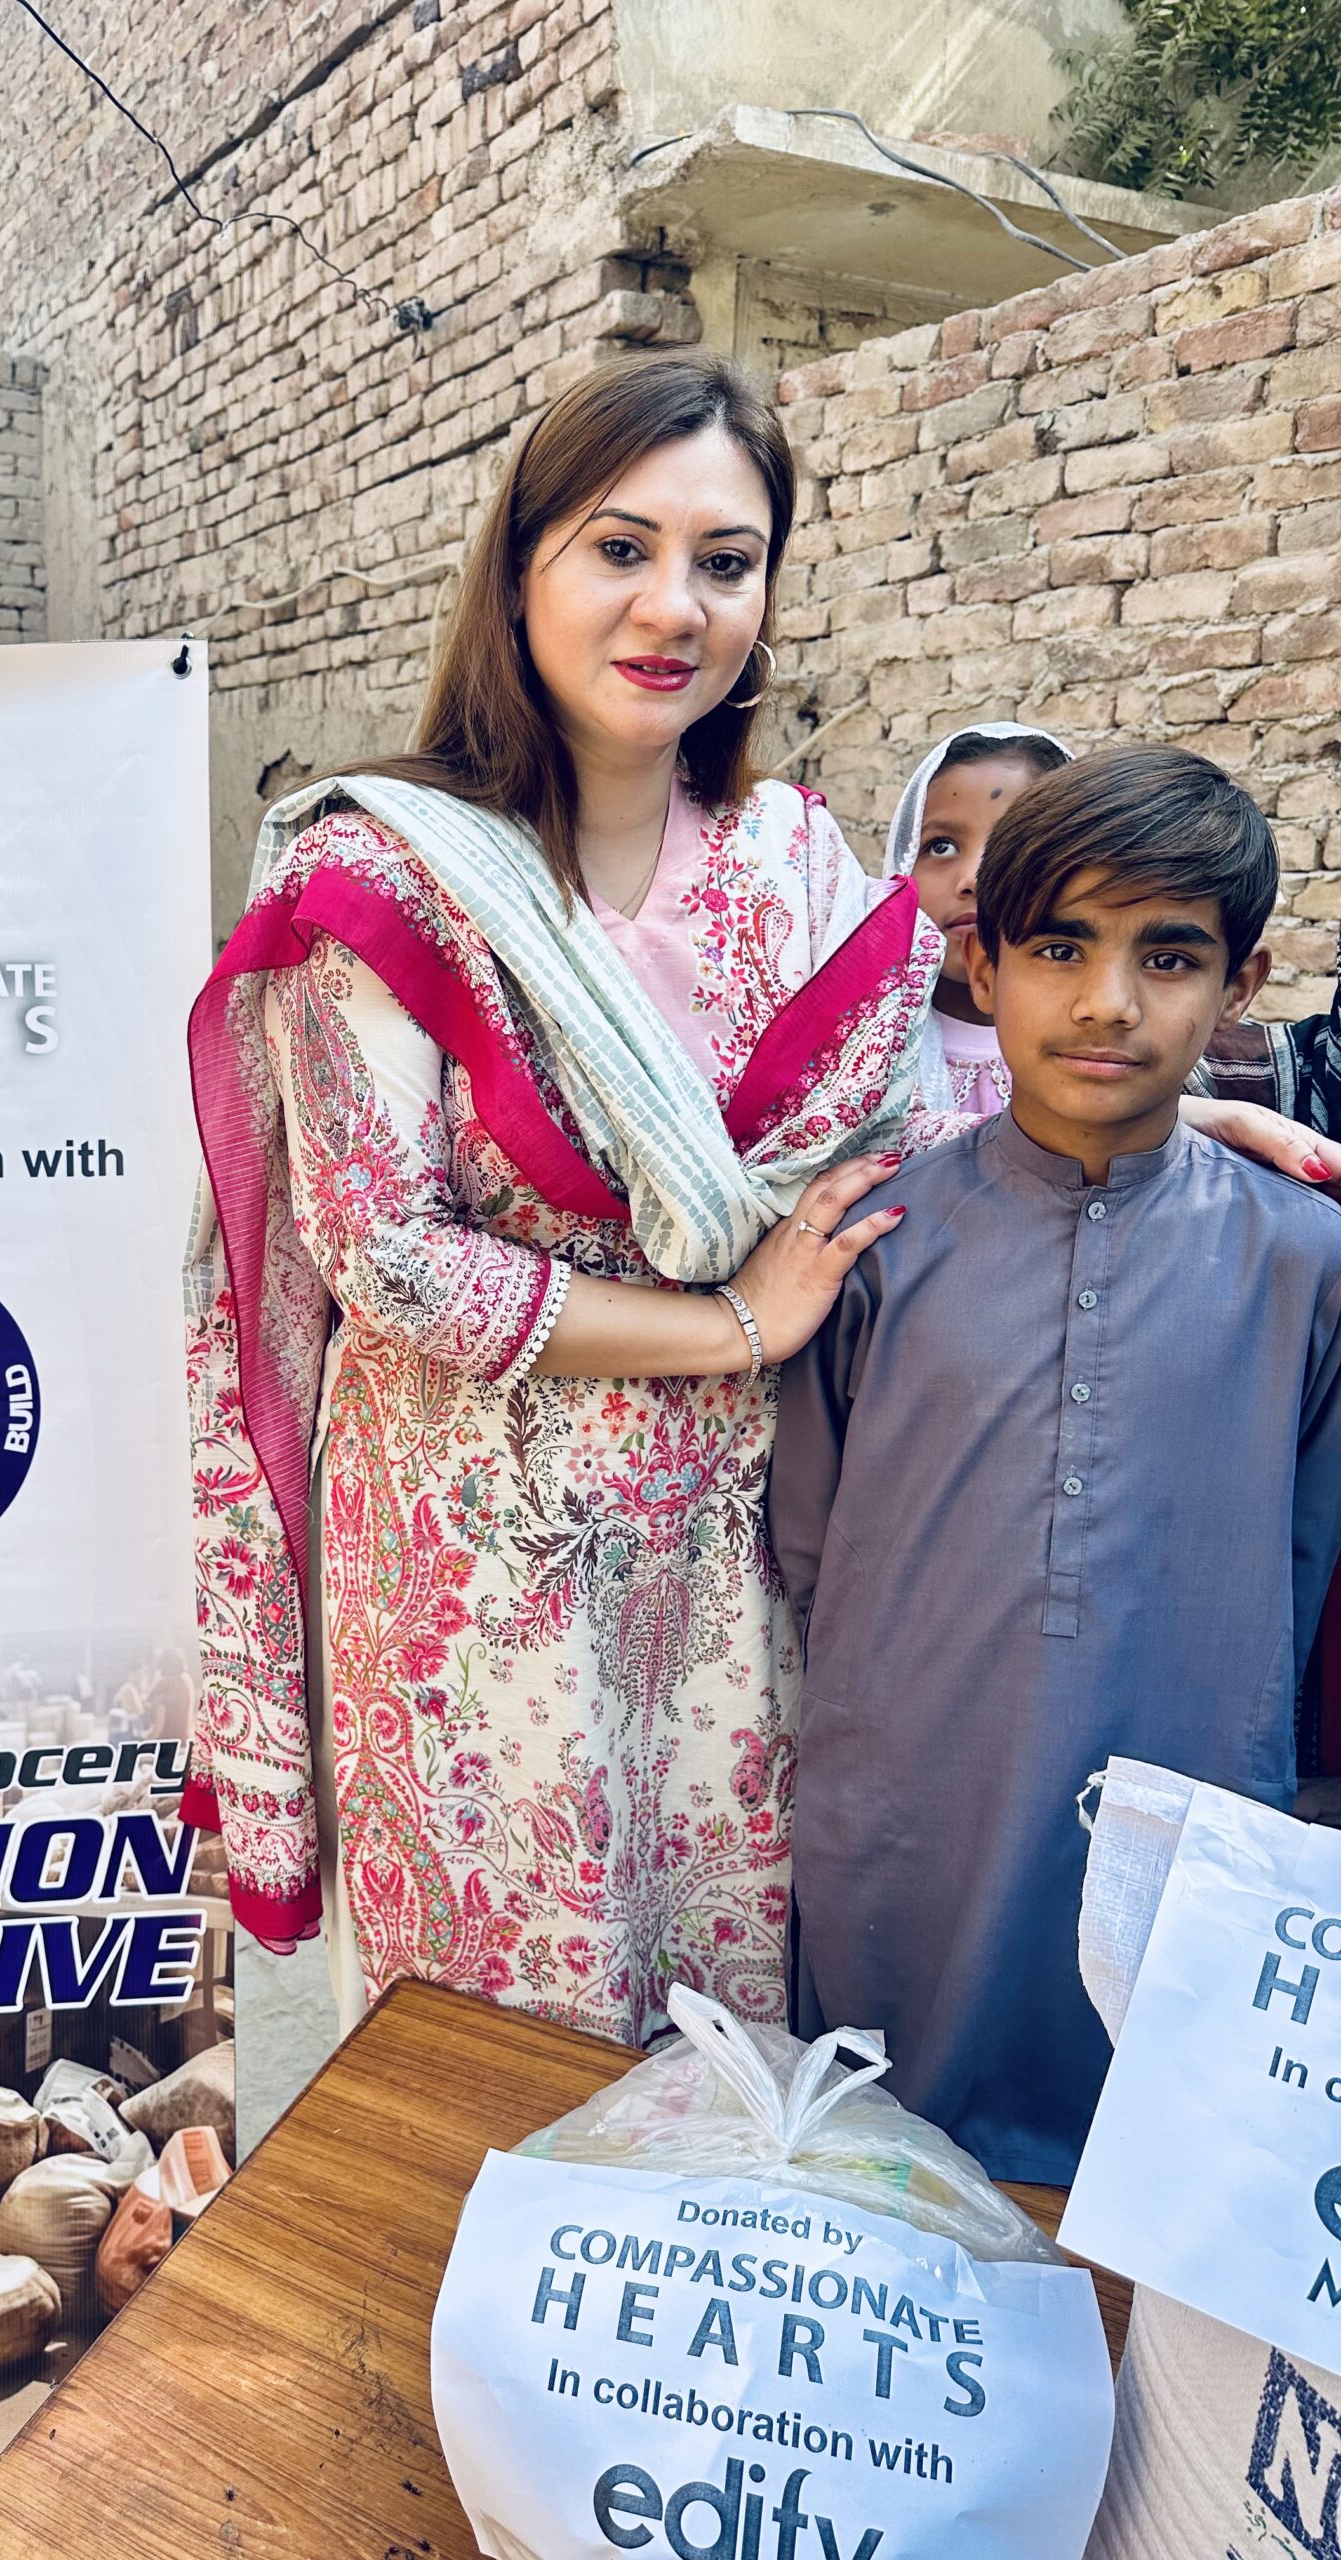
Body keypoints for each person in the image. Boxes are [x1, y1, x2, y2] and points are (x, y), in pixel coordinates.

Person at [183, 353, 941, 2048]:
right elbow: (387, 1255)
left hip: (737, 1552)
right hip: (475, 1558)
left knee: (727, 2023)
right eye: (620, 548)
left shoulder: (793, 868)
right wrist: (733, 1323)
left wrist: (1157, 1131)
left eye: (726, 561)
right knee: (495, 2039)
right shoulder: (387, 873)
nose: (675, 607)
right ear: (520, 566)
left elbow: (896, 1136)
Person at [770, 745, 1341, 2181]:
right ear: (985, 962)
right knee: (886, 2167)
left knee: (1145, 2179)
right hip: (906, 1807)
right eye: (1060, 948)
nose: (1107, 1002)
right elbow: (813, 1550)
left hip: (1186, 1805)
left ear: (1243, 983)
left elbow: (1304, 1554)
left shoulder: (1306, 1262)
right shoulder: (879, 1244)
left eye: (1169, 957)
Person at [884, 723, 1071, 1117]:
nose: (974, 879)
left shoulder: (1095, 1044)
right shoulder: (870, 1057)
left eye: (1014, 849)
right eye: (941, 846)